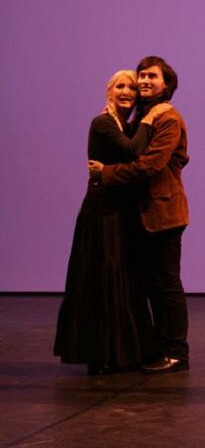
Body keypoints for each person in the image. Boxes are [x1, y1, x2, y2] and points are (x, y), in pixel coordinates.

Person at [55, 71, 169, 374]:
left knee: (122, 279)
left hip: (121, 210)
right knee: (102, 277)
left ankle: (120, 352)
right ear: (109, 91)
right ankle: (101, 352)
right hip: (102, 211)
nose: (127, 91)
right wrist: (151, 117)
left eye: (132, 87)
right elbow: (134, 151)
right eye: (120, 86)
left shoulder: (126, 126)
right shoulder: (104, 123)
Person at [90, 57, 190, 374]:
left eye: (152, 76)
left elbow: (149, 165)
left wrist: (106, 174)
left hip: (163, 212)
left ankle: (176, 352)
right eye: (141, 76)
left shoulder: (167, 118)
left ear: (166, 84)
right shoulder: (142, 117)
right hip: (142, 214)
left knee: (166, 283)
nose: (144, 81)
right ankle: (156, 347)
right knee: (148, 284)